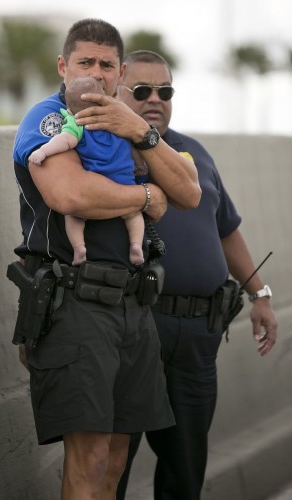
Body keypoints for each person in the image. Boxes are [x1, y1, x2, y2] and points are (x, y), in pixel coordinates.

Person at [11, 19, 201, 500]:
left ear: (119, 72)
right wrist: (143, 194)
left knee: (117, 457)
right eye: (85, 62)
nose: (96, 74)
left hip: (134, 307)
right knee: (90, 459)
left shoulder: (128, 125)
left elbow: (186, 194)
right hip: (74, 303)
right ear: (63, 66)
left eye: (106, 64)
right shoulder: (49, 116)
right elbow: (72, 194)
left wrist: (140, 130)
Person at [115, 50, 278, 500]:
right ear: (117, 92)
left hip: (196, 338)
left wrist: (260, 295)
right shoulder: (102, 152)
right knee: (111, 467)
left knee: (186, 468)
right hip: (135, 330)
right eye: (142, 90)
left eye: (164, 91)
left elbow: (226, 231)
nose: (155, 100)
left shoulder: (195, 154)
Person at [29, 75, 146, 266]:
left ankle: (79, 248)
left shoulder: (77, 124)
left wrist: (42, 151)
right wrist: (139, 164)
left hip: (97, 181)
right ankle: (136, 245)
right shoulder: (117, 122)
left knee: (74, 216)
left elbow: (64, 141)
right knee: (133, 213)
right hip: (124, 178)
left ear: (69, 109)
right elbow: (134, 146)